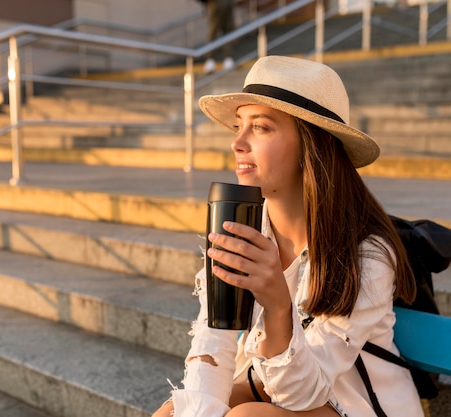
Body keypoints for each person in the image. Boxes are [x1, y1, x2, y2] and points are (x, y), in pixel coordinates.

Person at [152, 55, 423, 417]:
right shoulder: (245, 227)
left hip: (357, 405)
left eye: (261, 127)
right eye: (238, 126)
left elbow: (302, 395)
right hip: (271, 390)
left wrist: (279, 306)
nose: (238, 143)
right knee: (176, 411)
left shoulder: (367, 255)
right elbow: (212, 342)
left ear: (311, 147)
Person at [202, 0, 236, 73]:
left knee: (213, 32)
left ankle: (210, 60)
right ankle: (228, 58)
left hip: (215, 3)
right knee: (226, 31)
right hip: (227, 3)